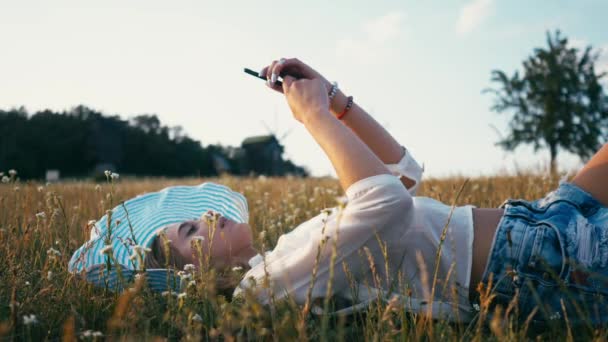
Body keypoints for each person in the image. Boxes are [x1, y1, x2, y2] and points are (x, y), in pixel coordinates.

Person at [69, 58, 608, 325]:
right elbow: (388, 201)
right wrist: (313, 117)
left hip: (538, 224)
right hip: (540, 264)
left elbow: (403, 175)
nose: (207, 218)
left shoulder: (283, 253)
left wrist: (336, 100)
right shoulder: (266, 285)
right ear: (189, 273)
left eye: (195, 217)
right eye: (190, 231)